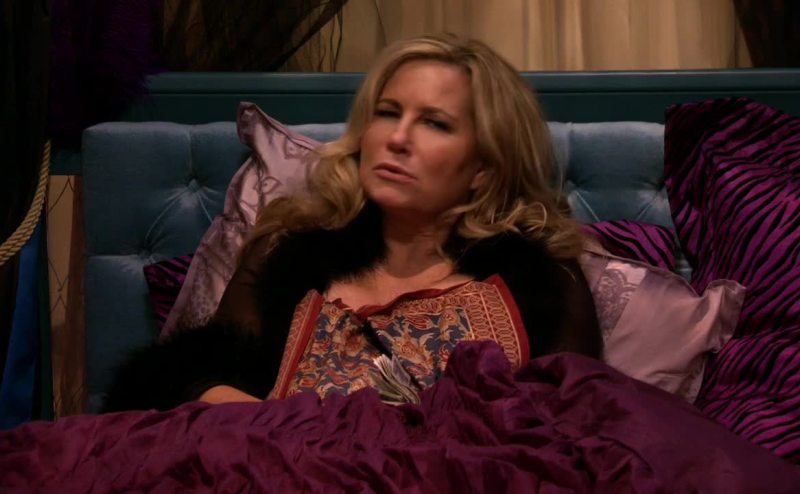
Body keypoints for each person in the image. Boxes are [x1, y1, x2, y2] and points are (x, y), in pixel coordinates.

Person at [106, 34, 602, 412]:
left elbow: (574, 426)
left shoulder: (541, 282)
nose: (397, 138)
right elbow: (194, 377)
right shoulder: (287, 257)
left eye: (435, 123)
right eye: (387, 113)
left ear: (483, 168)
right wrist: (283, 430)